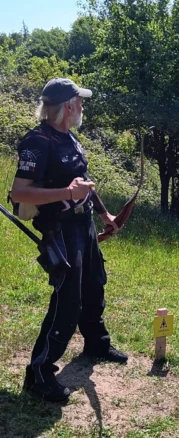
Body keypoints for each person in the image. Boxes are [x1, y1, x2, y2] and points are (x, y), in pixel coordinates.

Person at [10, 78, 128, 403]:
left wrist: (104, 215)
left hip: (83, 223)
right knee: (68, 300)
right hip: (60, 229)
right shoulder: (36, 142)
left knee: (94, 283)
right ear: (68, 106)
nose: (83, 106)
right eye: (80, 101)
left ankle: (96, 344)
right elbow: (20, 192)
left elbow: (84, 183)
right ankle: (39, 374)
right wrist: (67, 193)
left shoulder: (70, 137)